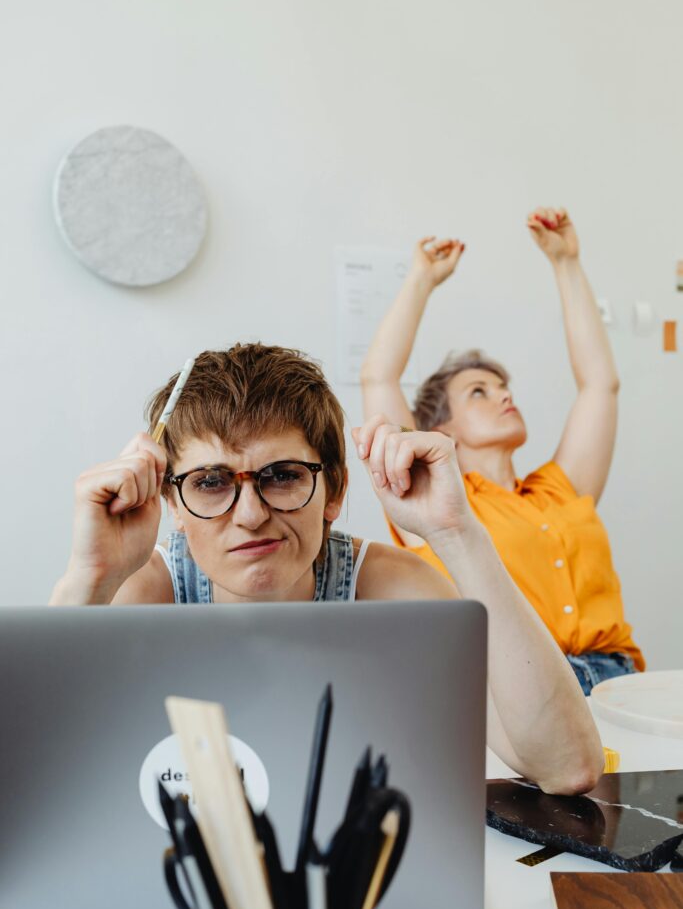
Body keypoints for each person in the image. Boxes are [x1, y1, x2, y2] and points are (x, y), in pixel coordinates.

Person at [51, 342, 603, 794]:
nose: (250, 516)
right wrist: (91, 577)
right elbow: (31, 783)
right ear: (173, 504)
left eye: (283, 475)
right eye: (211, 482)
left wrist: (457, 534)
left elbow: (566, 767)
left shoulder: (391, 589)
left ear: (334, 490)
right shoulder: (142, 594)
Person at [360, 207, 644, 695]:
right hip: (524, 692)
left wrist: (566, 263)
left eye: (503, 386)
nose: (505, 395)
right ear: (440, 428)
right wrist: (421, 281)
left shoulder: (558, 489)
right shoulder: (434, 499)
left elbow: (600, 384)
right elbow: (379, 378)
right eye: (479, 392)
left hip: (620, 681)